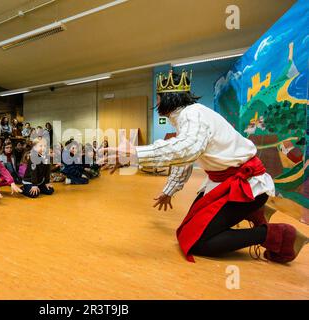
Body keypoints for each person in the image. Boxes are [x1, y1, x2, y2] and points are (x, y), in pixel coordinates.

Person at [108, 70, 308, 263]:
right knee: (188, 230)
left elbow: (187, 149)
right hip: (224, 184)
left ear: (166, 97)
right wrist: (169, 191)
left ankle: (275, 234)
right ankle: (252, 212)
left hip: (245, 186)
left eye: (158, 97)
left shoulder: (193, 115)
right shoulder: (186, 118)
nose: (156, 101)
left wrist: (135, 153)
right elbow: (184, 156)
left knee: (198, 242)